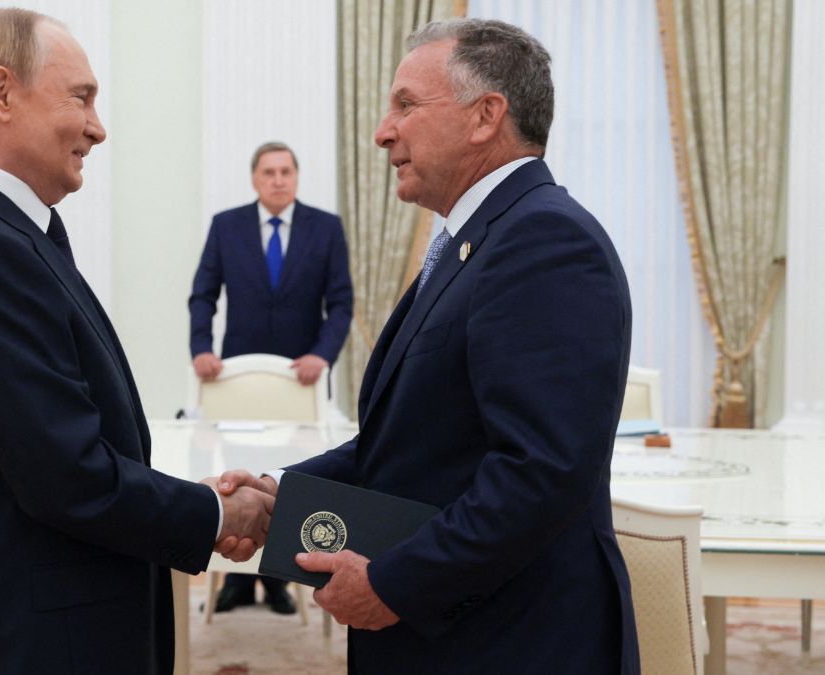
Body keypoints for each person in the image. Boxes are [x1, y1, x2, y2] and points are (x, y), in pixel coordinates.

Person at [221, 18, 641, 674]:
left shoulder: (547, 244)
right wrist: (283, 493)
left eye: (406, 105)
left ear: (485, 116)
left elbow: (539, 472)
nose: (383, 131)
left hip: (514, 644)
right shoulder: (475, 242)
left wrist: (395, 581)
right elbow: (412, 442)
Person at [0, 10, 271, 674]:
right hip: (19, 644)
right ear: (2, 93)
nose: (98, 126)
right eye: (82, 97)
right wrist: (213, 511)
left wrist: (199, 500)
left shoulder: (2, 233)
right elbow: (68, 478)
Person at [188, 142, 354, 615]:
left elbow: (340, 303)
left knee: (287, 477)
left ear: (296, 178)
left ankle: (278, 578)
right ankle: (236, 583)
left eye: (286, 171)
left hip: (298, 383)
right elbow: (203, 294)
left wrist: (322, 355)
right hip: (236, 379)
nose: (278, 179)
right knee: (238, 475)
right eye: (269, 172)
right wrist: (201, 347)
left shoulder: (326, 229)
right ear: (255, 180)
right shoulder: (227, 226)